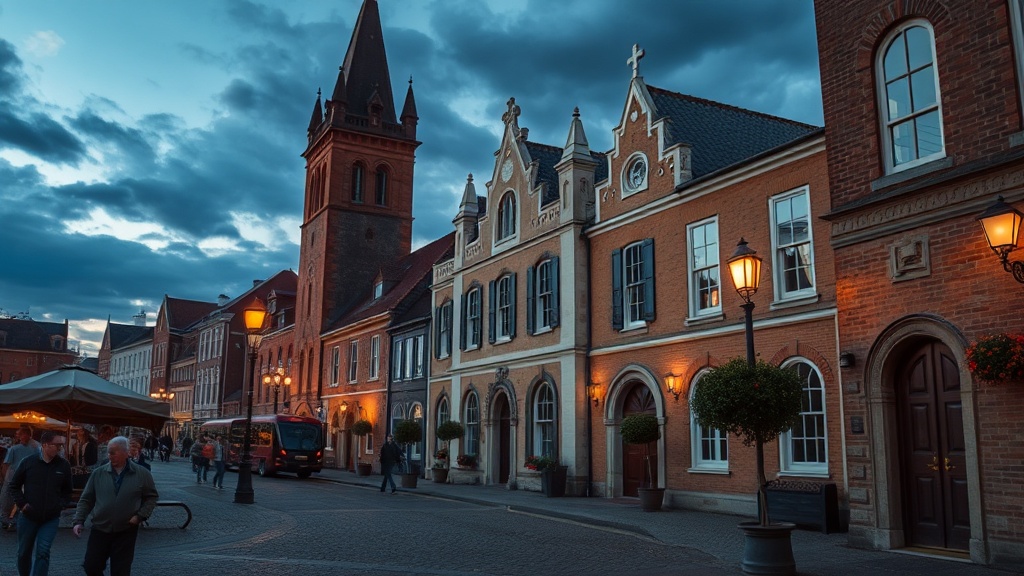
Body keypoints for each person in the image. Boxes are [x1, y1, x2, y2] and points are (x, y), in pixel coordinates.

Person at [72, 436, 158, 576]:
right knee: (91, 566)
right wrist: (78, 521)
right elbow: (86, 499)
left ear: (125, 453)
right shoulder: (98, 473)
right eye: (108, 452)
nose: (109, 456)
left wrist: (140, 516)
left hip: (126, 530)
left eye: (113, 452)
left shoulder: (141, 473)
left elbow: (151, 497)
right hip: (100, 529)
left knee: (120, 571)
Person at [9, 431, 72, 576]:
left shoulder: (63, 465)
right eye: (57, 445)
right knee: (24, 552)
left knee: (43, 551)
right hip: (28, 516)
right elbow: (14, 486)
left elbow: (67, 491)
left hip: (50, 518)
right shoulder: (28, 462)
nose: (60, 448)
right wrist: (23, 505)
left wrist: (60, 505)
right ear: (45, 445)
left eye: (61, 445)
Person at [0, 426, 41, 531]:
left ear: (26, 434)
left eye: (19, 434)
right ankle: (12, 520)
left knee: (9, 500)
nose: (18, 436)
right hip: (25, 478)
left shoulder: (17, 449)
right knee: (18, 500)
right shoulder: (37, 447)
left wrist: (5, 479)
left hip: (16, 478)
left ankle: (9, 520)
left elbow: (6, 465)